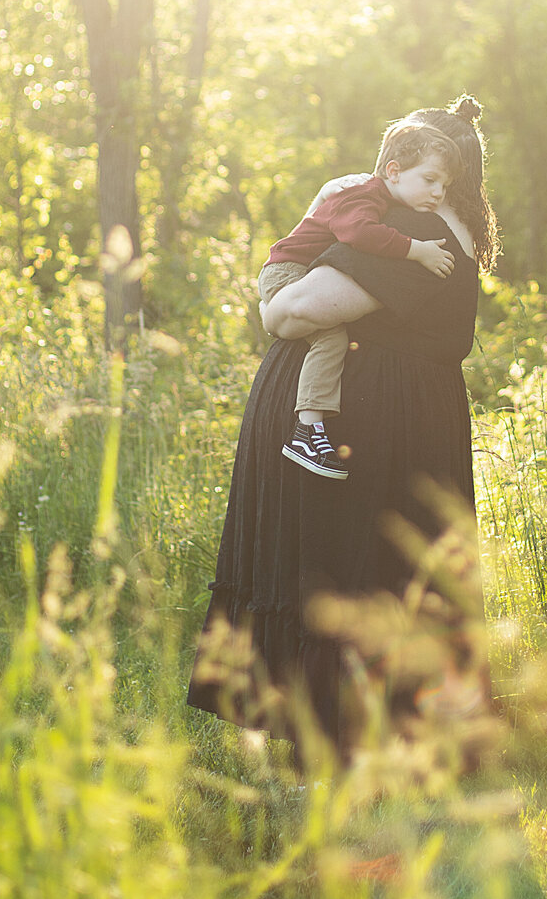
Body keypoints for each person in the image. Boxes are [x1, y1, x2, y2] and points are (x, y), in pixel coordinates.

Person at [188, 95, 500, 761]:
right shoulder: (442, 230)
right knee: (364, 569)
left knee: (345, 569)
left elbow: (290, 313)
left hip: (369, 425)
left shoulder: (425, 236)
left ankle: (347, 740)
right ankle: (358, 735)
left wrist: (280, 284)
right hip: (383, 415)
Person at [258, 120, 459, 480]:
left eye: (444, 186)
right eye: (430, 180)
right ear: (393, 172)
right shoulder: (364, 195)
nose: (438, 193)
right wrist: (417, 251)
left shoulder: (377, 198)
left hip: (295, 272)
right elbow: (360, 233)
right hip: (288, 270)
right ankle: (307, 430)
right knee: (331, 337)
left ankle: (307, 421)